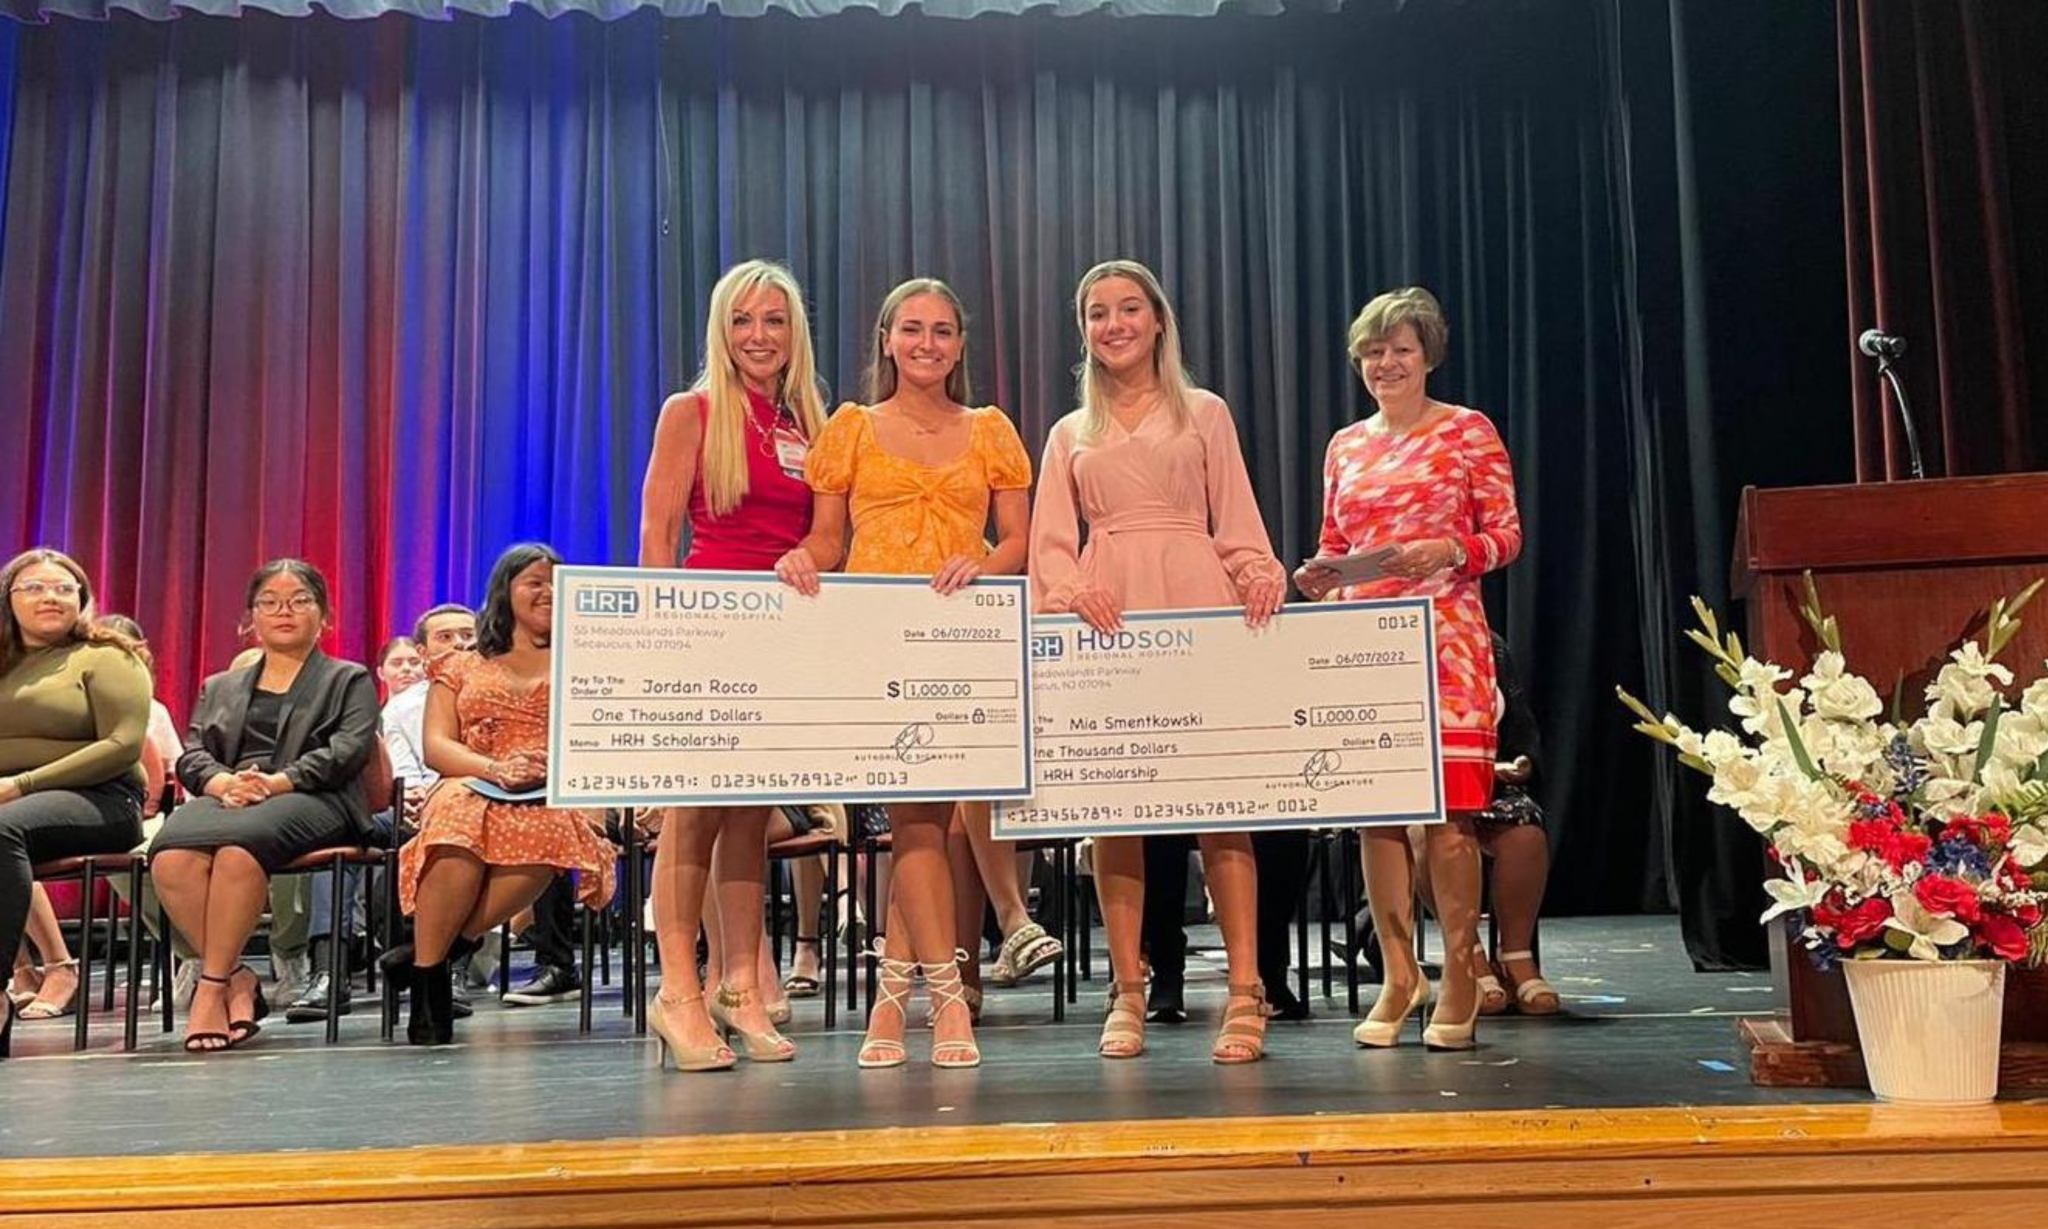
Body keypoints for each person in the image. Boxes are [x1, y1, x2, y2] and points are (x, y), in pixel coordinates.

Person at [1028, 259, 1284, 1065]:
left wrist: (1258, 569)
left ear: (1159, 319)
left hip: (1196, 604)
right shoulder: (1070, 433)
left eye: (1129, 308)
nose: (1115, 324)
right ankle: (1128, 986)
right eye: (1098, 312)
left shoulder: (1205, 412)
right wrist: (1071, 589)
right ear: (1084, 330)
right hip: (1110, 619)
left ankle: (1245, 988)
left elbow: (1236, 523)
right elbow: (1048, 548)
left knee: (1222, 802)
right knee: (1119, 808)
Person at [778, 276, 1034, 1069]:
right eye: (913, 329)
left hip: (961, 636)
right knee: (917, 818)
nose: (927, 343)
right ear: (887, 340)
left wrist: (984, 563)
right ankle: (941, 998)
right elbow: (828, 539)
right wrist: (800, 559)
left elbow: (1018, 540)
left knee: (924, 820)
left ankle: (898, 997)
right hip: (878, 636)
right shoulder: (851, 428)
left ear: (959, 346)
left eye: (943, 331)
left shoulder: (990, 429)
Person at [1295, 286, 1523, 1052]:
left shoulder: (1467, 430)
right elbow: (1335, 542)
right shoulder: (1345, 445)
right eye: (1372, 351)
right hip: (1363, 640)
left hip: (1446, 638)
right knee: (1378, 813)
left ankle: (1460, 969)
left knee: (1449, 817)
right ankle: (1400, 973)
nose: (1385, 363)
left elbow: (1507, 535)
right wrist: (1320, 574)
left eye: (1400, 349)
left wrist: (1452, 549)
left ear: (1428, 355)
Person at [636, 259, 830, 1070]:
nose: (759, 336)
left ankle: (740, 982)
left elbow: (826, 536)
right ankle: (678, 991)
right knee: (694, 813)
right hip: (708, 628)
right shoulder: (693, 411)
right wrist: (659, 640)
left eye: (774, 321)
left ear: (795, 332)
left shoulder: (811, 421)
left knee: (750, 815)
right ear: (722, 329)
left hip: (783, 634)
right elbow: (657, 533)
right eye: (744, 320)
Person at [149, 559, 381, 1053]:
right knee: (169, 855)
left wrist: (277, 782)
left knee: (238, 852)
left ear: (324, 616)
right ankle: (237, 977)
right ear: (251, 616)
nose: (284, 611)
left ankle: (211, 990)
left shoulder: (348, 679)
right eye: (270, 603)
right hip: (233, 794)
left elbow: (347, 750)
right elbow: (193, 753)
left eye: (299, 601)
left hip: (316, 796)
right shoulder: (220, 685)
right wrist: (222, 782)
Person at [393, 543, 615, 1046]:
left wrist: (550, 767)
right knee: (455, 825)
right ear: (505, 591)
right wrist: (495, 768)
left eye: (556, 582)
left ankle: (428, 959)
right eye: (534, 582)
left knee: (549, 830)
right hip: (472, 774)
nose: (548, 591)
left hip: (554, 782)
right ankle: (431, 984)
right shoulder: (460, 664)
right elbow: (437, 745)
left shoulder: (588, 656)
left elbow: (602, 731)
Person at [1, 550, 153, 1058]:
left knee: (1, 829)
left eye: (64, 589)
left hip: (102, 799)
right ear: (8, 599)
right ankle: (26, 972)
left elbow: (122, 745)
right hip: (11, 801)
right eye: (35, 587)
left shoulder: (107, 655)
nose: (51, 597)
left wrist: (21, 784)